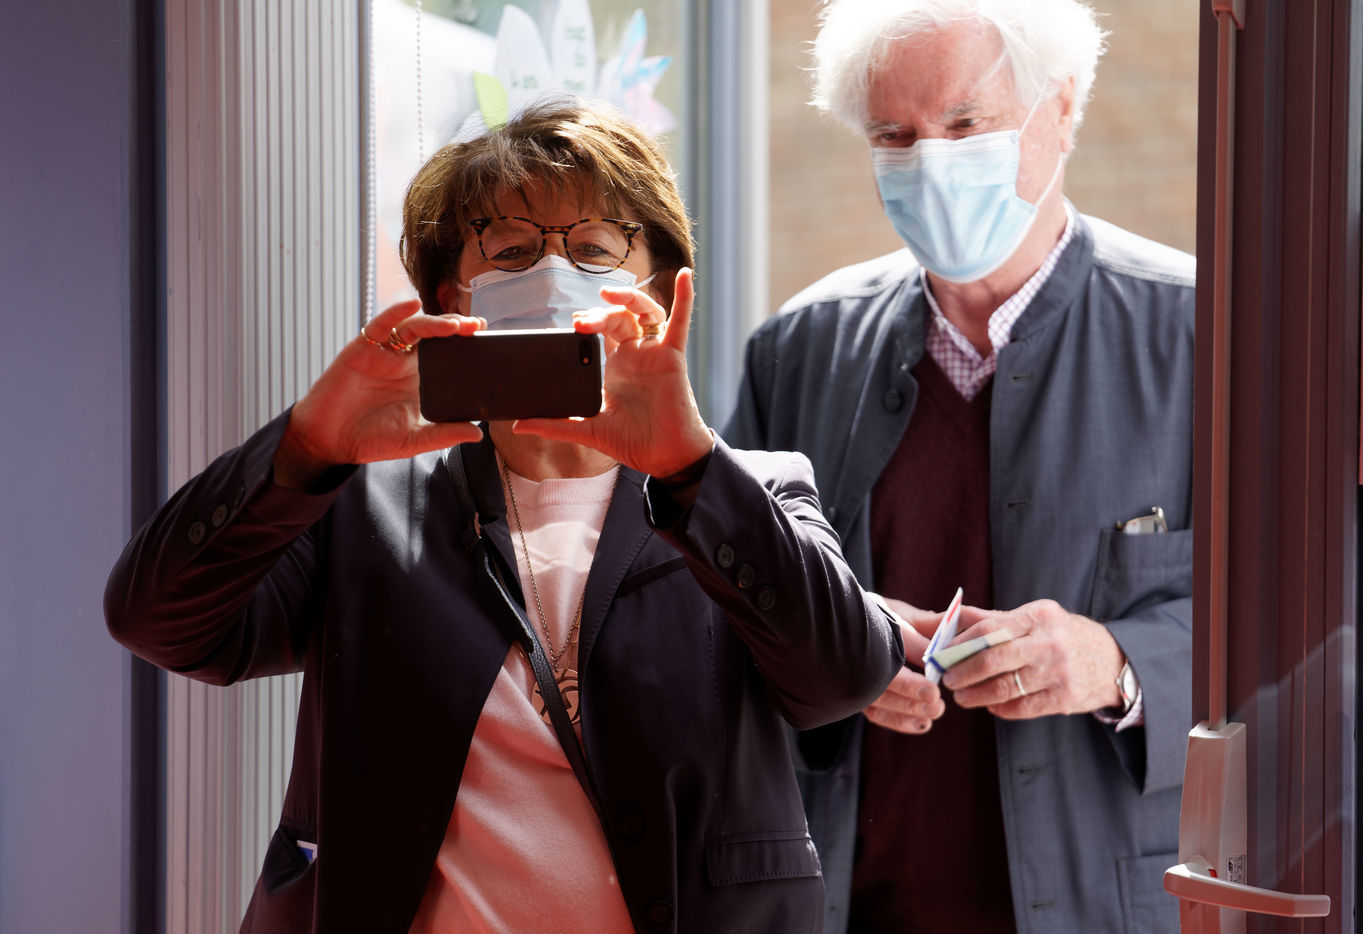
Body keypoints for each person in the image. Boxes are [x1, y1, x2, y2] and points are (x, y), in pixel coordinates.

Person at [105, 98, 903, 934]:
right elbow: (158, 621)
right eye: (512, 251)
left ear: (661, 293)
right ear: (452, 297)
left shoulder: (753, 494)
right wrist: (307, 443)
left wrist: (690, 465)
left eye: (593, 248)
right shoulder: (362, 508)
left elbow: (842, 679)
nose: (553, 273)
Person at [724, 2, 1194, 931]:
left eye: (967, 124)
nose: (930, 162)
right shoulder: (800, 351)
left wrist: (1117, 663)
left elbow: (1308, 629)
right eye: (894, 136)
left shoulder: (1204, 337)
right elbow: (713, 617)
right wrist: (831, 649)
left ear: (1062, 110)